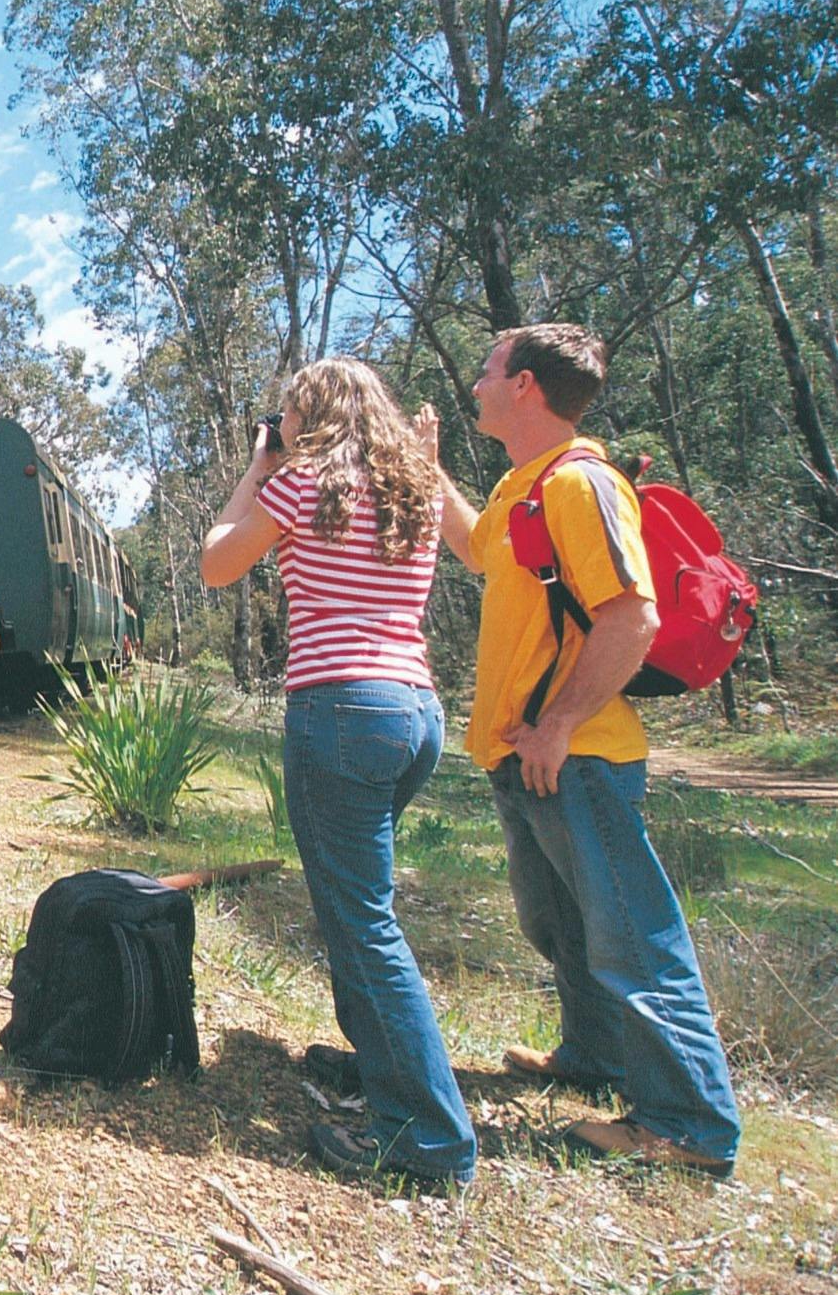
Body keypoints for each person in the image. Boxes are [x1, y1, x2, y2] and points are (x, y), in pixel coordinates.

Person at [432, 323, 740, 1178]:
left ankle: (688, 1124)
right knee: (562, 924)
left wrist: (560, 723)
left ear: (526, 386)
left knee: (632, 939)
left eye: (490, 370)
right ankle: (595, 1057)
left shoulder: (580, 484)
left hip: (578, 757)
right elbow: (472, 547)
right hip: (527, 757)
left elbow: (631, 616)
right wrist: (428, 467)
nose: (479, 384)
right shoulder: (521, 487)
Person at [201, 358, 475, 1188]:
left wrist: (258, 465)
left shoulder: (302, 485)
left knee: (363, 922)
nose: (279, 424)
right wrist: (433, 462)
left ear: (306, 416)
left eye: (286, 413)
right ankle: (386, 1072)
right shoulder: (415, 486)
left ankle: (429, 1139)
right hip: (416, 711)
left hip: (341, 711)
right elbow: (484, 549)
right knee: (362, 907)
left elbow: (217, 562)